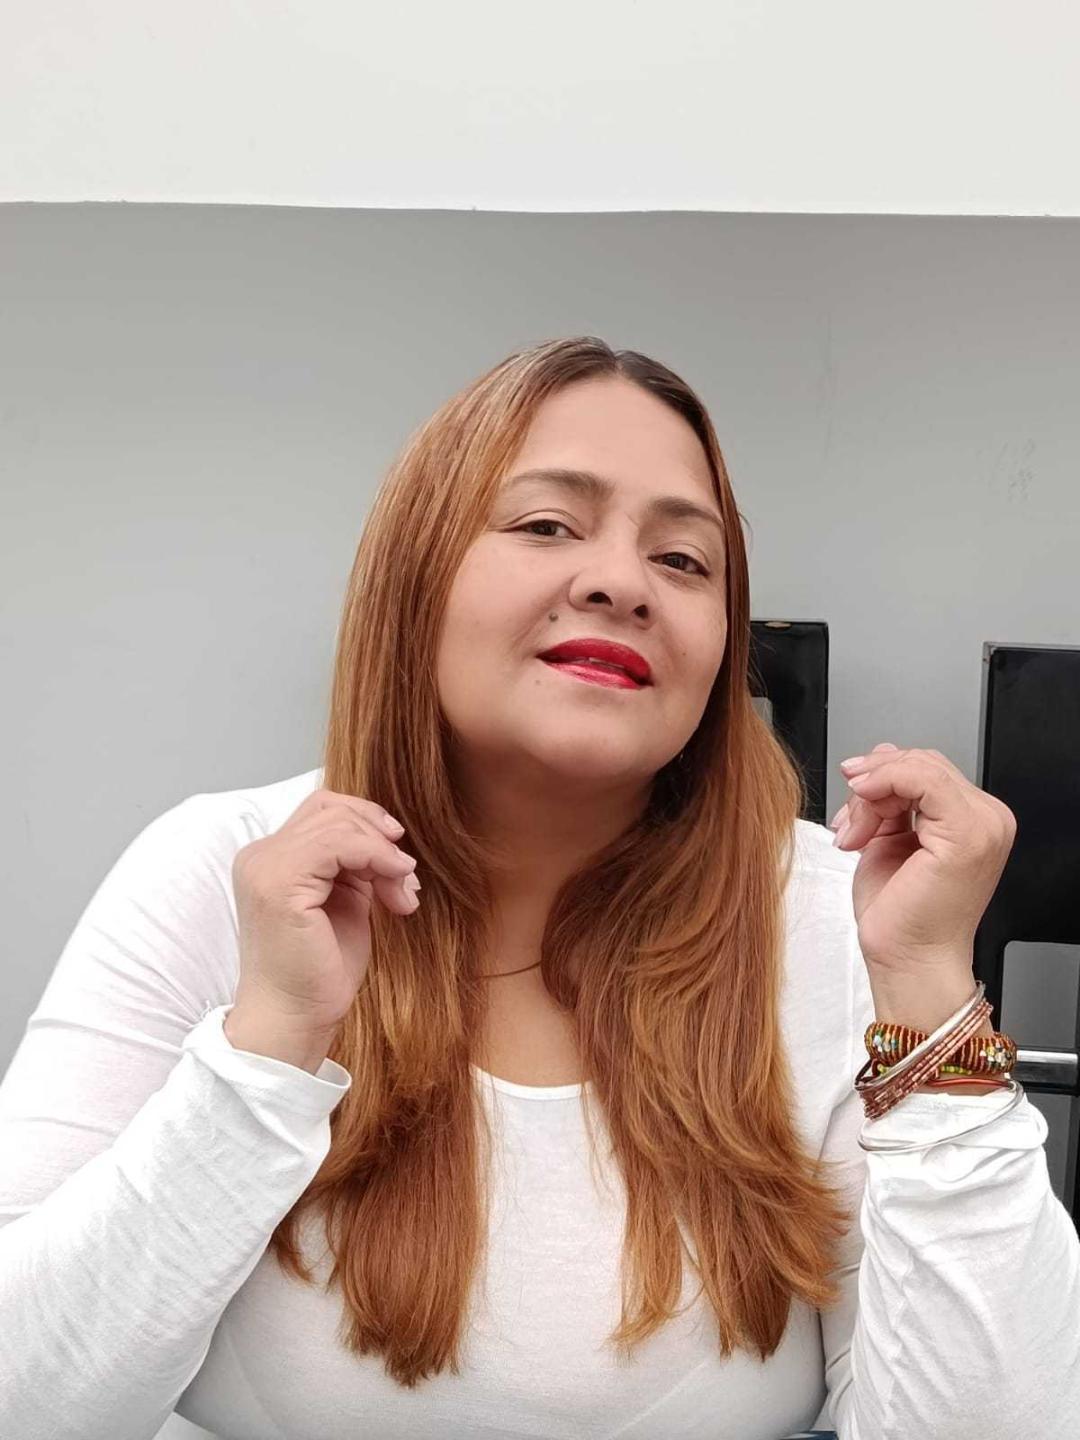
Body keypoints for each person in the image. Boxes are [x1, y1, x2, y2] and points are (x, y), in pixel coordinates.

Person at [1, 336, 1076, 1440]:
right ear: (415, 580)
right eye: (548, 525)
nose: (620, 582)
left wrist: (930, 994)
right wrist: (268, 1043)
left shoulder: (838, 920)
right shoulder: (219, 876)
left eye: (684, 559)